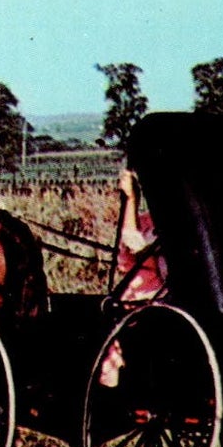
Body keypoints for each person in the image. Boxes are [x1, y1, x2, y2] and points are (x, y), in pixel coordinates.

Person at [98, 166, 166, 387]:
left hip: (155, 297)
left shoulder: (168, 224)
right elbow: (125, 259)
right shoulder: (146, 221)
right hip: (134, 293)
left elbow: (133, 244)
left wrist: (130, 199)